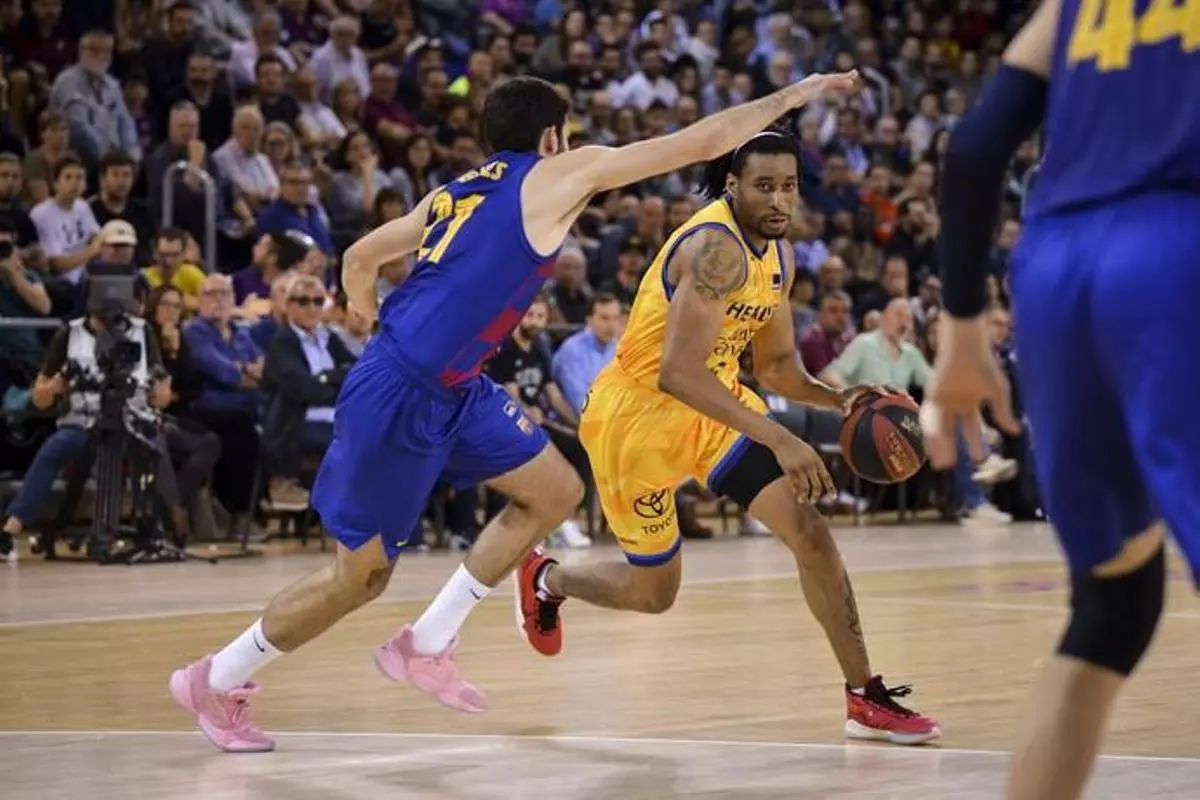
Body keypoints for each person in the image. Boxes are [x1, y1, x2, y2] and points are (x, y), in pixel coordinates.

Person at [168, 71, 861, 753]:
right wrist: (793, 96)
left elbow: (358, 258)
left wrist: (375, 319)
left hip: (453, 383)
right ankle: (215, 679)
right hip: (400, 393)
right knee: (362, 578)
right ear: (553, 137)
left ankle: (427, 643)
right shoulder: (553, 176)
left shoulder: (456, 192)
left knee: (554, 490)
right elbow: (703, 141)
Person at [513, 129, 940, 745]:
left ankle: (863, 696)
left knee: (811, 534)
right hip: (635, 419)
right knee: (654, 595)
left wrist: (839, 399)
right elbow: (677, 373)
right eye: (764, 186)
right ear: (733, 185)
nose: (779, 200)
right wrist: (783, 439)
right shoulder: (715, 250)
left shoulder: (779, 255)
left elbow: (777, 368)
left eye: (789, 186)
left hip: (714, 410)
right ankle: (548, 578)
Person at [920, 0, 1198, 796]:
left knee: (1113, 605)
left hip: (1054, 275)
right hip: (1177, 253)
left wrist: (962, 329)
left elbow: (975, 148)